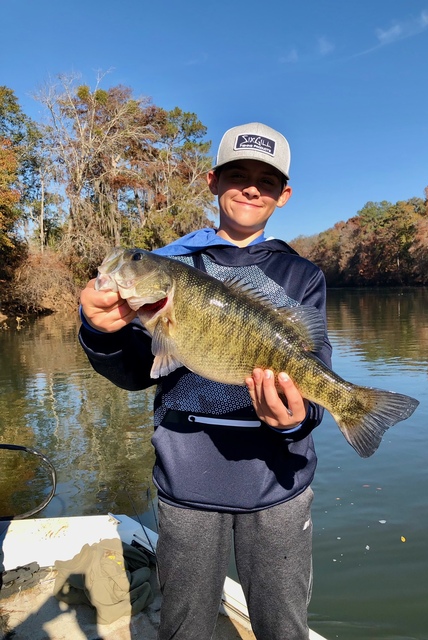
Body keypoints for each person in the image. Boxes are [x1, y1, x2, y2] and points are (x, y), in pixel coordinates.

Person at [79, 122, 332, 640]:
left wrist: (297, 420)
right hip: (188, 478)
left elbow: (316, 377)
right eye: (237, 175)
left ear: (283, 195)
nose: (251, 187)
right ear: (213, 181)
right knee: (184, 625)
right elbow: (134, 372)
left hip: (276, 481)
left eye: (266, 179)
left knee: (284, 626)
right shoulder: (172, 263)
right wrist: (100, 333)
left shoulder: (302, 276)